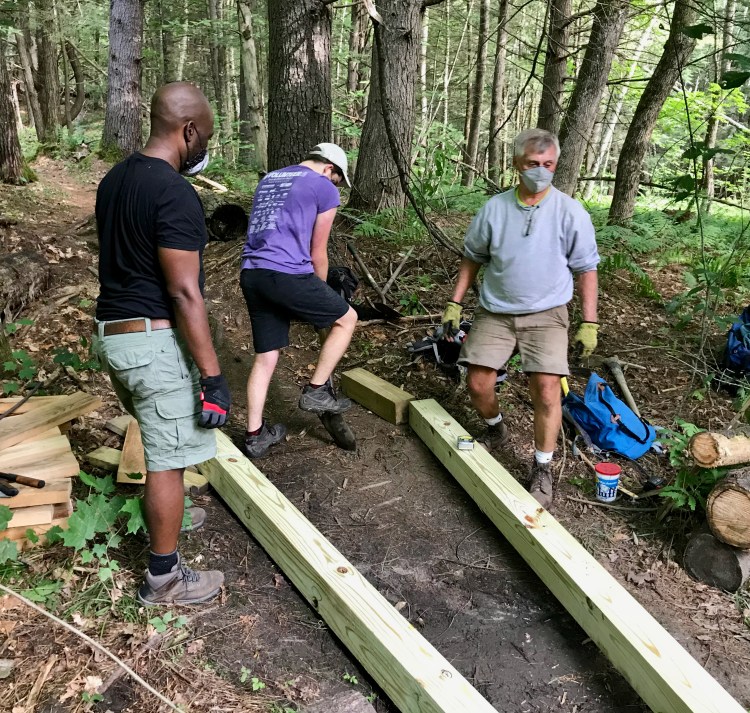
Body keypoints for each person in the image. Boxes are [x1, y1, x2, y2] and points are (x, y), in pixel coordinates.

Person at [94, 83, 231, 605]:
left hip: (113, 335)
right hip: (150, 341)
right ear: (188, 130)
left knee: (159, 439)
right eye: (205, 137)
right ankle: (165, 579)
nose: (204, 147)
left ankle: (169, 517)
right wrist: (213, 376)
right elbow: (184, 292)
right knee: (168, 460)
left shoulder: (115, 179)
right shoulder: (174, 192)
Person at [442, 128, 600, 509]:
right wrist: (454, 303)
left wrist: (589, 322)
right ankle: (496, 430)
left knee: (546, 389)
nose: (541, 171)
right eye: (533, 163)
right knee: (478, 383)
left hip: (548, 313)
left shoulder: (570, 212)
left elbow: (587, 269)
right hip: (496, 310)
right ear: (516, 164)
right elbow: (472, 258)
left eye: (548, 164)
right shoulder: (495, 209)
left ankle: (542, 467)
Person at [240, 142, 357, 458]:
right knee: (347, 319)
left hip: (252, 273)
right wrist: (321, 293)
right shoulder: (323, 186)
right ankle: (317, 390)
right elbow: (317, 251)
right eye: (337, 181)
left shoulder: (271, 178)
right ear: (329, 169)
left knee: (266, 356)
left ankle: (255, 436)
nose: (336, 187)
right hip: (287, 273)